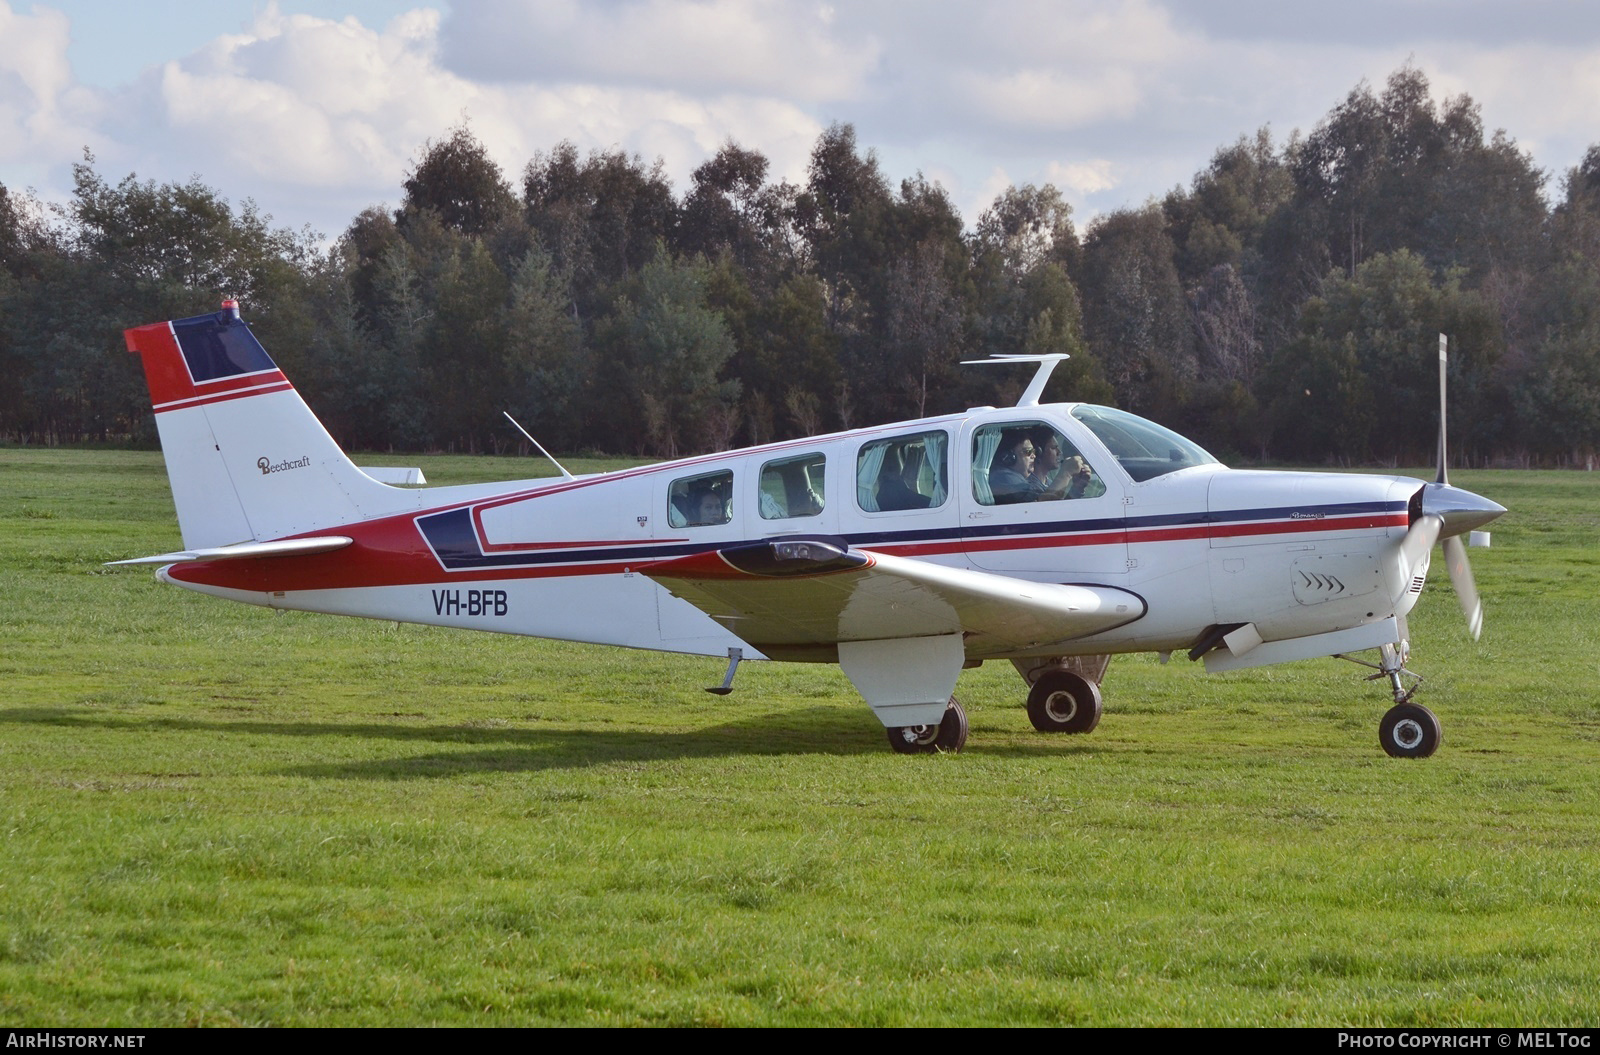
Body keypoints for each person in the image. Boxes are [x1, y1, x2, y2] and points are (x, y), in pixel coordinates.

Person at [988, 429, 1040, 504]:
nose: (1034, 456)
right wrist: (1063, 475)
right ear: (1009, 457)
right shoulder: (1004, 477)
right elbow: (1042, 501)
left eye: (1033, 451)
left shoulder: (1025, 477)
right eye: (1028, 452)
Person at [875, 445, 931, 510]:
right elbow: (919, 500)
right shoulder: (892, 489)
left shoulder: (884, 492)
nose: (901, 468)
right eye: (895, 466)